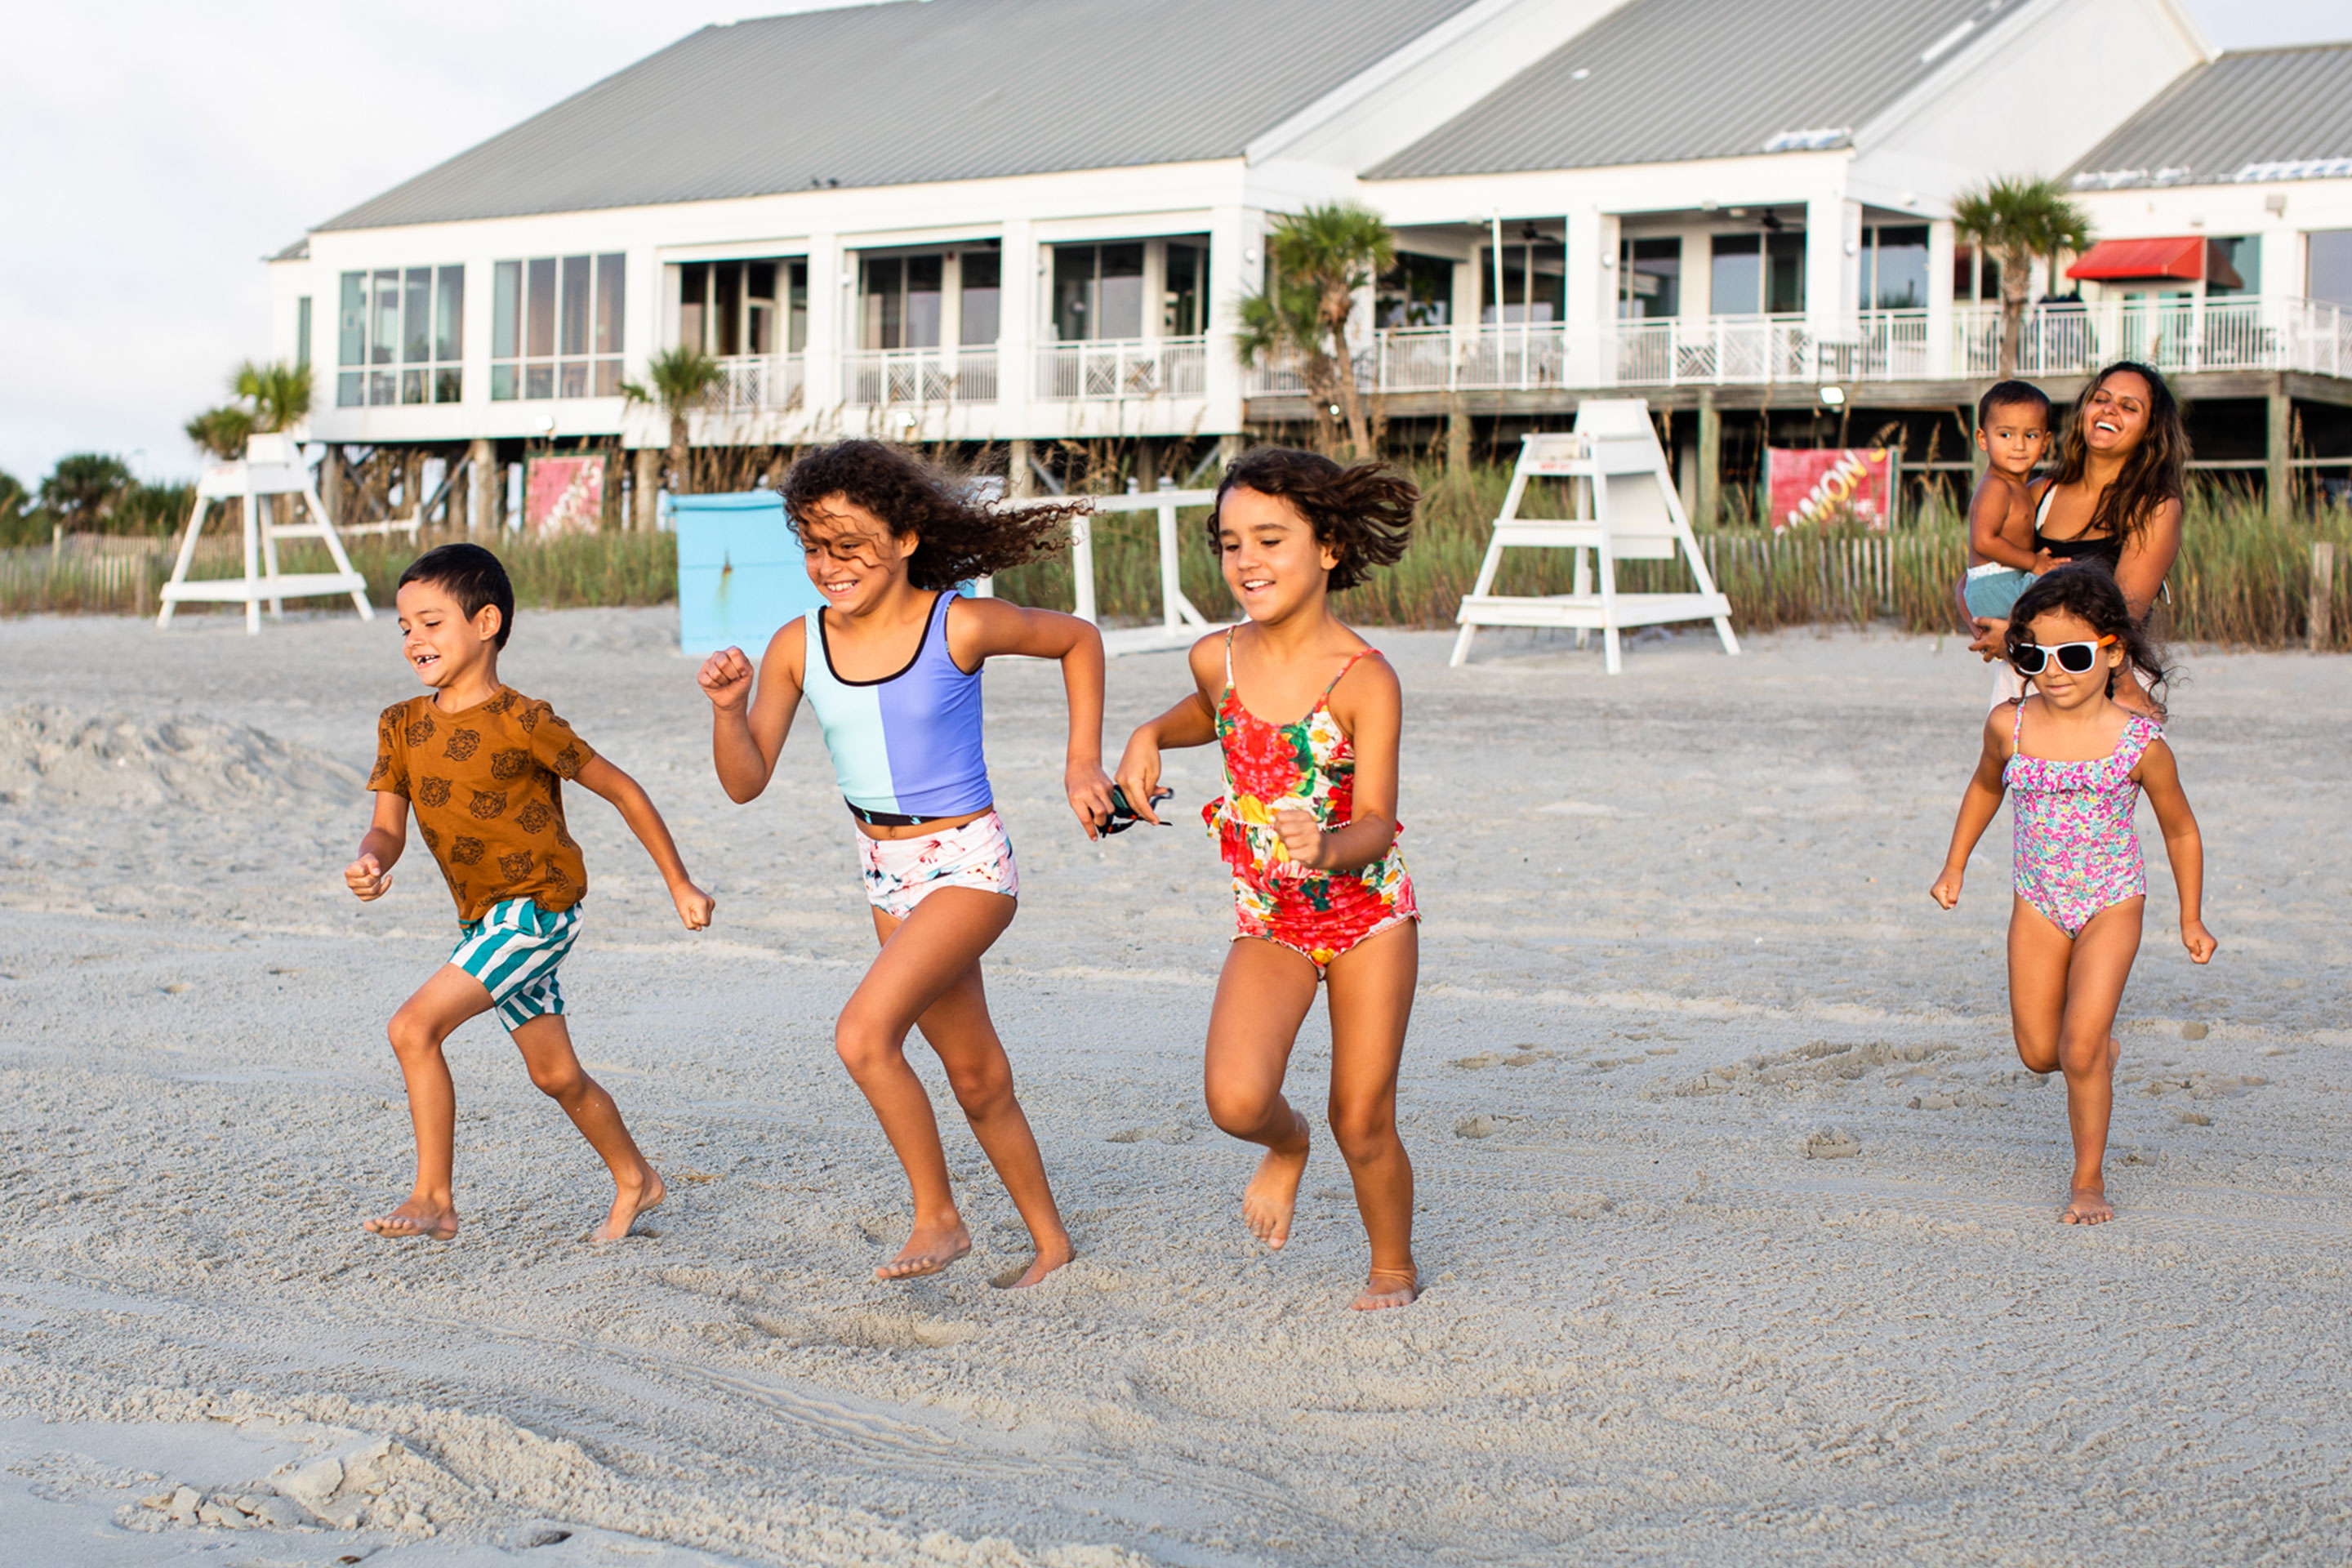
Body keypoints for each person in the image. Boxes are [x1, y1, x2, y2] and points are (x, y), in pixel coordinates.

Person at [697, 441, 1108, 1289]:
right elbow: (744, 784)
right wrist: (728, 710)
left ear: (908, 536)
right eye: (814, 547)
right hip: (883, 873)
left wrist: (1080, 763)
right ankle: (1052, 1244)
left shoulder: (957, 622)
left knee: (863, 1036)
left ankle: (938, 1217)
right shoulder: (794, 646)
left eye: (849, 545)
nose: (829, 566)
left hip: (967, 863)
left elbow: (1078, 641)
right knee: (975, 1073)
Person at [1114, 448, 1422, 1312]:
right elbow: (1211, 714)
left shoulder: (1366, 680)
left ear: (1328, 548)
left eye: (1271, 540)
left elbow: (1375, 823)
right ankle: (1286, 1151)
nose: (1246, 560)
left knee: (1360, 1118)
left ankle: (1391, 1265)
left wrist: (1324, 847)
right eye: (1230, 543)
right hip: (1272, 920)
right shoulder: (1219, 656)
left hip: (1367, 918)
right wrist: (1148, 734)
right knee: (1237, 1099)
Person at [345, 543, 714, 1244]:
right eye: (404, 628)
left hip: (538, 910)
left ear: (486, 622)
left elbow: (622, 790)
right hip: (484, 920)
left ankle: (433, 1198)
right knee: (555, 1074)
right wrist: (370, 861)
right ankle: (637, 1178)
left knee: (411, 1028)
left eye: (430, 623)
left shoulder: (525, 721)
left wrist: (679, 882)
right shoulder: (400, 726)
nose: (414, 640)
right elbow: (385, 828)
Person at [1931, 566, 2216, 1225]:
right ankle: (2093, 1050)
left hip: (2113, 900)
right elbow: (1983, 788)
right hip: (2037, 900)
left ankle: (2088, 1179)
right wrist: (1955, 866)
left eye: (2075, 655)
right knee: (2039, 1053)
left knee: (2078, 1048)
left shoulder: (2140, 743)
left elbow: (2180, 828)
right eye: (2033, 654)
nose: (2053, 671)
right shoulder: (2010, 726)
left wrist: (2191, 916)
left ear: (2114, 652)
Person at [1969, 362, 2186, 716]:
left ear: (2150, 430)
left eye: (2129, 407)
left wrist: (2017, 635)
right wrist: (1987, 631)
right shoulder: (2039, 494)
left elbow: (2123, 617)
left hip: (2108, 684)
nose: (2110, 410)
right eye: (2101, 399)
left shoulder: (2154, 507)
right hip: (2026, 676)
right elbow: (1977, 575)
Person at [1960, 379, 2053, 626]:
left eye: (2031, 435)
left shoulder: (2019, 487)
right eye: (2005, 435)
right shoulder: (1996, 486)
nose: (2019, 445)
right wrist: (2034, 562)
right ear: (1983, 439)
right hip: (1995, 585)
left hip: (2003, 582)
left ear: (2045, 442)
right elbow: (1983, 541)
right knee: (2066, 589)